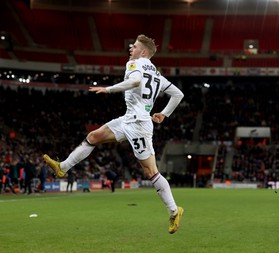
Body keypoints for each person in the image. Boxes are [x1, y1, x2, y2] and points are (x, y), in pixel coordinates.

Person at [43, 34, 184, 234]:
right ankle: (62, 167)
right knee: (93, 136)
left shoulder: (135, 64)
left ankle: (173, 210)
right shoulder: (158, 75)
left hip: (139, 125)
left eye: (134, 46)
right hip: (128, 119)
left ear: (142, 52)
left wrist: (108, 89)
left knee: (151, 172)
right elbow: (178, 94)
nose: (130, 49)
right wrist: (164, 114)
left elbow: (135, 82)